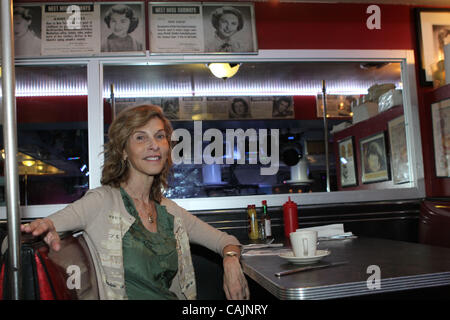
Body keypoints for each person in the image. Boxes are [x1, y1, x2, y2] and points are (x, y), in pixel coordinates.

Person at [21, 104, 249, 300]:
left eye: (160, 136)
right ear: (123, 151)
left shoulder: (169, 211)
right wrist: (42, 229)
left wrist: (230, 262)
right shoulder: (102, 201)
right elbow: (37, 231)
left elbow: (226, 241)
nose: (154, 145)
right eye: (141, 137)